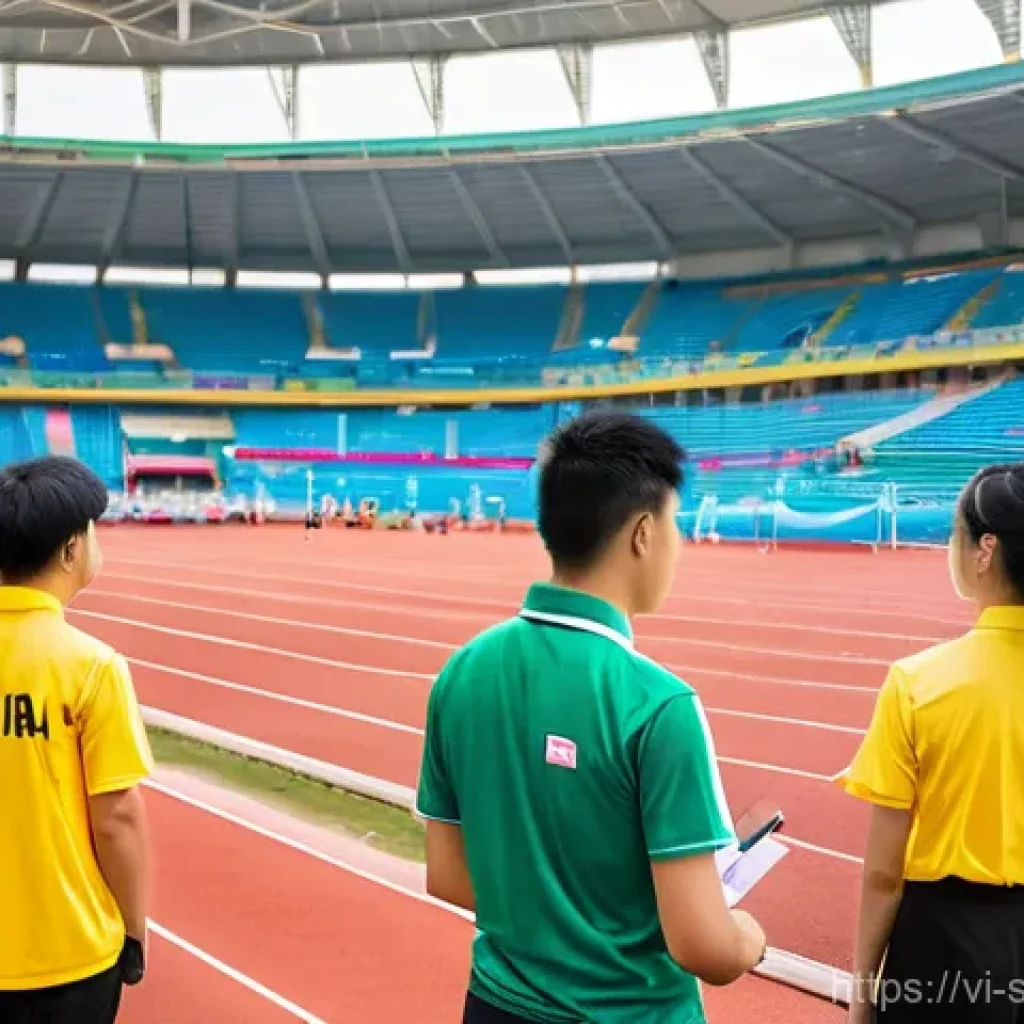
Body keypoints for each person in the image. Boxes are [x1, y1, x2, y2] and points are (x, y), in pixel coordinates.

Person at [416, 409, 767, 1024]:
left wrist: (549, 914)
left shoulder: (462, 672)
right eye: (674, 523)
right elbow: (702, 946)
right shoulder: (659, 705)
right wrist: (746, 936)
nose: (677, 543)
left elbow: (448, 875)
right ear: (642, 534)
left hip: (495, 1005)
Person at [837, 463, 1024, 1023]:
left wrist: (863, 992)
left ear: (984, 549)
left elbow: (883, 875)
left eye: (955, 535)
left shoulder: (918, 684)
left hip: (947, 951)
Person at [0, 455, 153, 1022]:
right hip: (65, 954)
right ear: (71, 550)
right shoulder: (91, 666)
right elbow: (117, 817)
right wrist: (133, 926)